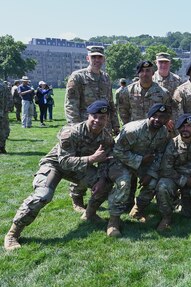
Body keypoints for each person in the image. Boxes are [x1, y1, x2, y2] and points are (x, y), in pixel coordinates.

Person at [4, 101, 114, 251]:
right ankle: (13, 233)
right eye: (94, 116)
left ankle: (89, 214)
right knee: (43, 195)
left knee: (106, 185)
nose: (98, 121)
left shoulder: (106, 138)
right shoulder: (71, 132)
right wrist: (91, 159)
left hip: (78, 168)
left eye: (102, 118)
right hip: (55, 165)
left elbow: (104, 163)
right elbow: (64, 161)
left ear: (107, 119)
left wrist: (101, 179)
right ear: (88, 116)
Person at [64, 45, 120, 213]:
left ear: (103, 59)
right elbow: (71, 104)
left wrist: (115, 125)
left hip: (102, 128)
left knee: (103, 160)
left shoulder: (106, 78)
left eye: (100, 57)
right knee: (82, 162)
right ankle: (77, 197)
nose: (97, 60)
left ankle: (96, 195)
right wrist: (75, 128)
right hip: (83, 128)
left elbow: (110, 104)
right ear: (88, 58)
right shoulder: (78, 77)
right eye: (93, 57)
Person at [107, 104, 171, 237]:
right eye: (155, 116)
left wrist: (150, 173)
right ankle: (113, 222)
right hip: (122, 161)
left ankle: (137, 210)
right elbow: (117, 151)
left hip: (144, 163)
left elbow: (159, 155)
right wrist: (140, 160)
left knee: (153, 183)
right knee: (124, 184)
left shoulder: (163, 132)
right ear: (149, 115)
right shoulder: (133, 130)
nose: (158, 120)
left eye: (162, 117)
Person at [155, 114, 191, 231]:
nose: (185, 129)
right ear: (178, 128)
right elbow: (166, 169)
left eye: (189, 126)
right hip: (176, 179)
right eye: (182, 126)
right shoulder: (172, 144)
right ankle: (166, 217)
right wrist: (183, 180)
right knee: (162, 185)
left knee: (188, 213)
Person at [118, 61, 172, 126]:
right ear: (138, 73)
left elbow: (169, 113)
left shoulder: (163, 93)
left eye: (148, 71)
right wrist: (128, 127)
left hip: (156, 131)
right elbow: (123, 111)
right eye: (142, 71)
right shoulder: (128, 91)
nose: (145, 74)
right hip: (134, 131)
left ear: (152, 73)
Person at [0, 80, 11, 153]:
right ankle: (2, 147)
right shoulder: (4, 85)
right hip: (4, 111)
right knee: (3, 129)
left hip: (2, 110)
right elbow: (9, 98)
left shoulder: (3, 86)